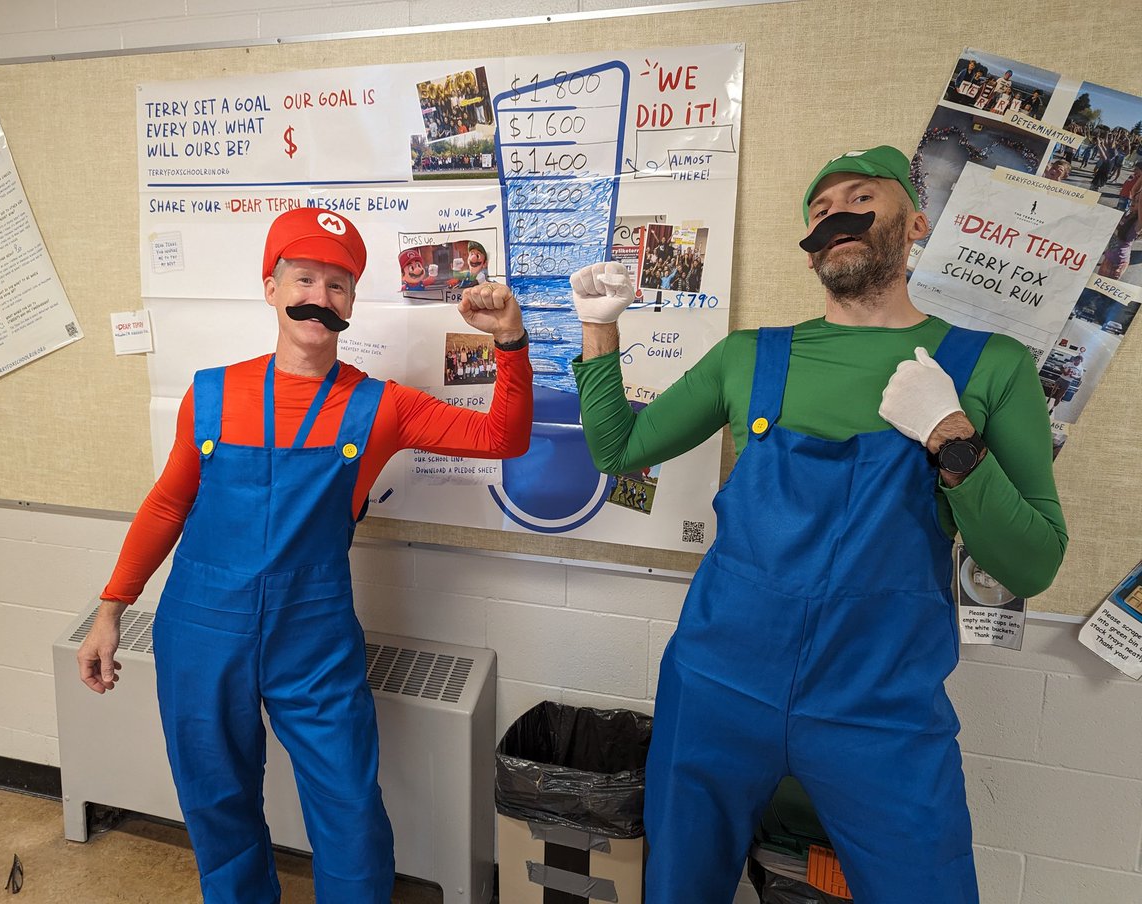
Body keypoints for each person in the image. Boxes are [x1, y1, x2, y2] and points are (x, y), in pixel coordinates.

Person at [568, 146, 1066, 903]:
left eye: (861, 197)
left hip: (880, 708)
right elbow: (617, 448)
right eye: (820, 208)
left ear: (915, 221)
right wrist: (599, 329)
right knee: (678, 888)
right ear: (810, 250)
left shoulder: (991, 366)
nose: (836, 214)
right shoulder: (748, 358)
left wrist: (954, 445)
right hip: (715, 686)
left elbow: (1032, 564)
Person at [76, 207, 532, 904]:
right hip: (199, 627)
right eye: (303, 277)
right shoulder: (210, 394)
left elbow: (505, 436)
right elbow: (167, 505)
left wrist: (509, 341)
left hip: (312, 634)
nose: (319, 298)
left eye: (338, 285)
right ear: (271, 286)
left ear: (352, 303)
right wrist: (112, 608)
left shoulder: (382, 406)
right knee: (216, 801)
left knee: (350, 810)